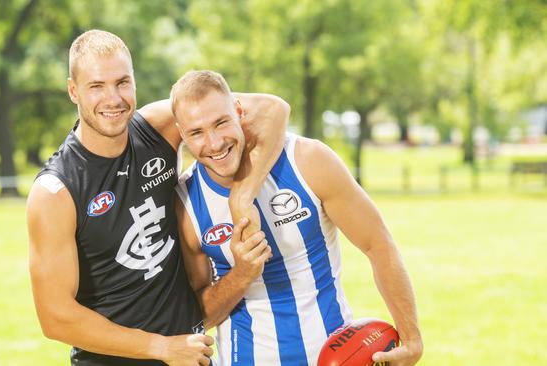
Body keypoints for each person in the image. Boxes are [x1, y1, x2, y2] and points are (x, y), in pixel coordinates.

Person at [26, 30, 288, 366]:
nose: (114, 98)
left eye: (123, 82)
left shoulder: (158, 127)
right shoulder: (56, 191)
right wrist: (162, 348)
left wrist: (242, 197)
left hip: (190, 353)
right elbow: (55, 318)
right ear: (73, 90)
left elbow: (272, 109)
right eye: (97, 86)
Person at [172, 70, 423, 366]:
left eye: (221, 122)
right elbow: (200, 315)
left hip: (333, 356)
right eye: (197, 132)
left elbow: (378, 245)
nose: (214, 143)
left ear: (239, 111)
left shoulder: (306, 160)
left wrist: (411, 338)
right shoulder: (185, 203)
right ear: (182, 133)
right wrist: (242, 274)